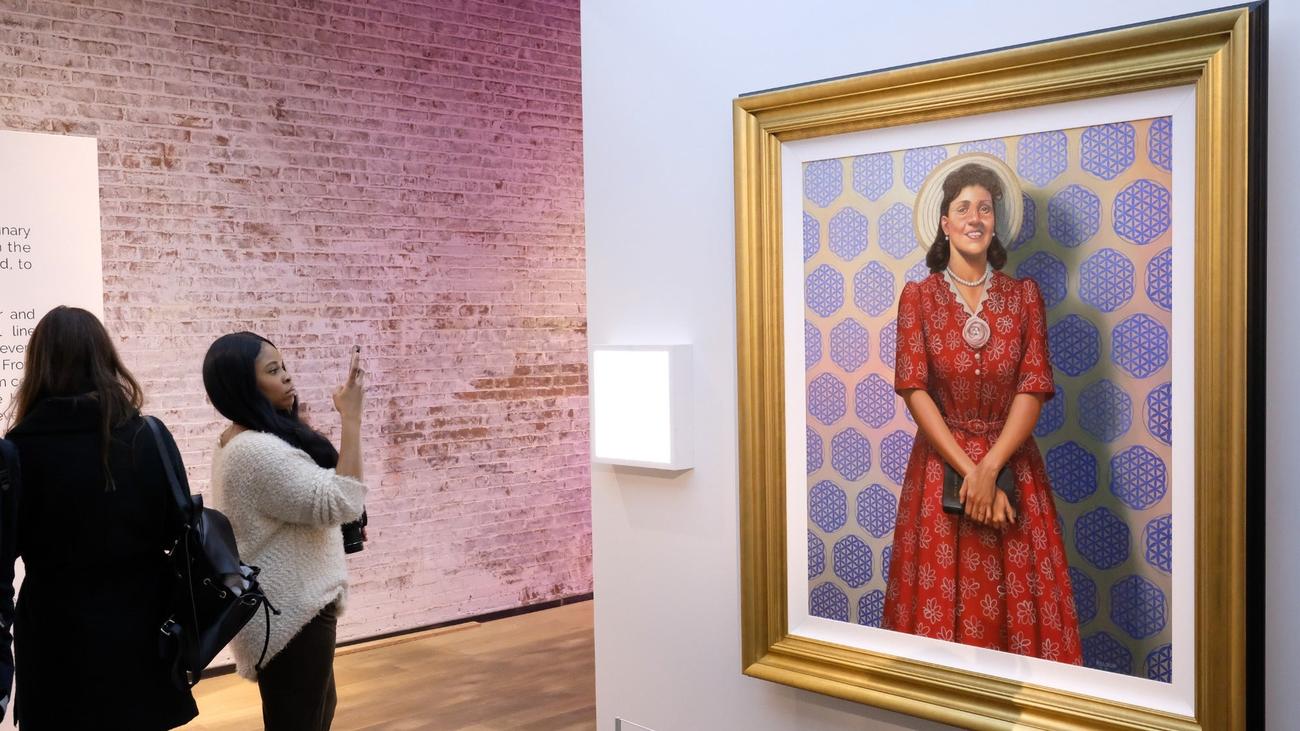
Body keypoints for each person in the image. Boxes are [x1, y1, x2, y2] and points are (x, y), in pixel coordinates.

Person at [882, 154, 1082, 663]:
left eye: (985, 208)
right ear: (944, 222)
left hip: (1012, 466)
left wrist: (990, 469)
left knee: (1020, 615)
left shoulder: (1024, 298)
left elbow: (1033, 387)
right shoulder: (918, 298)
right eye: (964, 207)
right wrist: (969, 471)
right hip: (938, 472)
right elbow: (914, 389)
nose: (975, 217)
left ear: (995, 223)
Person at [2, 306, 199, 728]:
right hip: (144, 628)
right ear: (106, 357)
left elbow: (6, 549)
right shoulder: (147, 437)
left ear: (37, 365)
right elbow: (176, 528)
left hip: (56, 634)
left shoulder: (17, 451)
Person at [203, 332, 365, 731]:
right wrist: (352, 417)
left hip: (290, 610)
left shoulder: (244, 440)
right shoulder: (257, 451)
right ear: (244, 385)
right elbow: (344, 502)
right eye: (273, 371)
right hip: (292, 614)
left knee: (312, 712)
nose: (288, 377)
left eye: (284, 366)